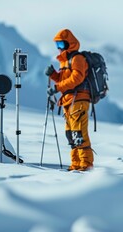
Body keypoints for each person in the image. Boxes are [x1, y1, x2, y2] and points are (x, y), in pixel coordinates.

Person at [44, 29, 94, 171]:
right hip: (69, 100)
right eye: (57, 45)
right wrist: (54, 75)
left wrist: (57, 87)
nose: (59, 48)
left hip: (78, 99)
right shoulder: (65, 61)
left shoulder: (77, 58)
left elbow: (77, 78)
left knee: (79, 133)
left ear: (69, 43)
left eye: (61, 44)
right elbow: (65, 78)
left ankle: (86, 165)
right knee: (71, 135)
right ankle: (76, 164)